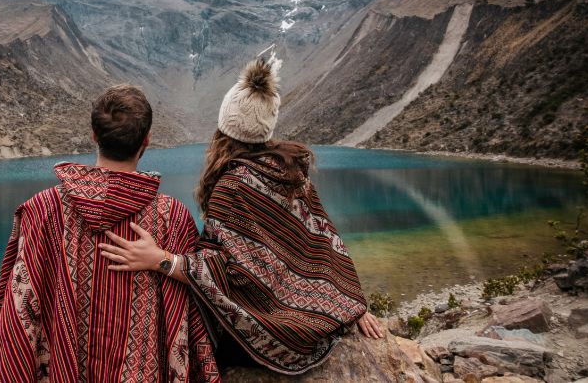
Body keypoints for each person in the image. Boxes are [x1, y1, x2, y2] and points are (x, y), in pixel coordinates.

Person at [99, 57, 384, 375]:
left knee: (198, 307)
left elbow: (221, 272)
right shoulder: (292, 175)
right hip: (313, 327)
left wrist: (162, 260)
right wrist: (348, 305)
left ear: (225, 127)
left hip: (270, 335)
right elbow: (325, 245)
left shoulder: (231, 186)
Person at [0, 84, 220, 382]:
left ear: (94, 136)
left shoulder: (41, 210)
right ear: (147, 141)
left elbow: (20, 305)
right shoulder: (174, 218)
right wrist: (164, 260)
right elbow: (196, 305)